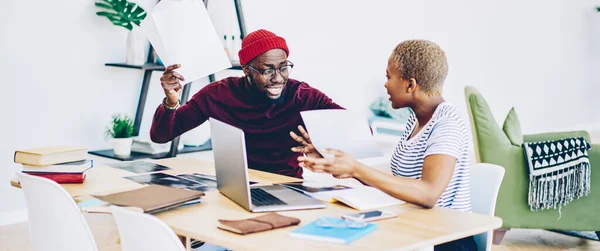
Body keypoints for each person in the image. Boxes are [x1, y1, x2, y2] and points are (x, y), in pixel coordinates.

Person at [293, 40, 477, 250]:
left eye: (389, 76)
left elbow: (428, 194)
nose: (385, 84)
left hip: (443, 241)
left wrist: (356, 168)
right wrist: (342, 165)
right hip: (412, 230)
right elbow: (400, 185)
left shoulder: (447, 124)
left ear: (410, 85)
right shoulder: (415, 120)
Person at [150, 29, 343, 179]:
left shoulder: (303, 96)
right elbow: (161, 136)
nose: (278, 78)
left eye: (283, 67)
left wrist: (322, 145)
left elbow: (359, 133)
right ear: (246, 71)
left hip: (288, 186)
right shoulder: (217, 94)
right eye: (267, 70)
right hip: (234, 186)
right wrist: (170, 102)